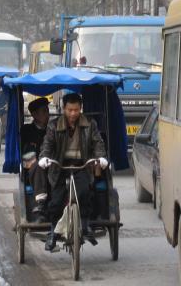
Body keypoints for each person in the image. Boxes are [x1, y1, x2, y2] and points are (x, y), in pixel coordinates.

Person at [39, 93, 109, 250]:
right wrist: (44, 158)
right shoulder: (53, 125)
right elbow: (47, 145)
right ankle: (53, 231)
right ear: (64, 109)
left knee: (84, 192)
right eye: (70, 110)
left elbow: (98, 143)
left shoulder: (90, 124)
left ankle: (84, 224)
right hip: (59, 166)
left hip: (82, 166)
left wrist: (101, 157)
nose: (73, 114)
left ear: (80, 109)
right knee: (56, 200)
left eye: (76, 110)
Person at [20, 97, 50, 223]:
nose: (47, 114)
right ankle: (41, 206)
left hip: (52, 165)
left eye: (47, 110)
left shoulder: (52, 129)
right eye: (44, 111)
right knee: (37, 165)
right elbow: (26, 156)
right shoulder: (26, 131)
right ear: (34, 115)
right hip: (33, 169)